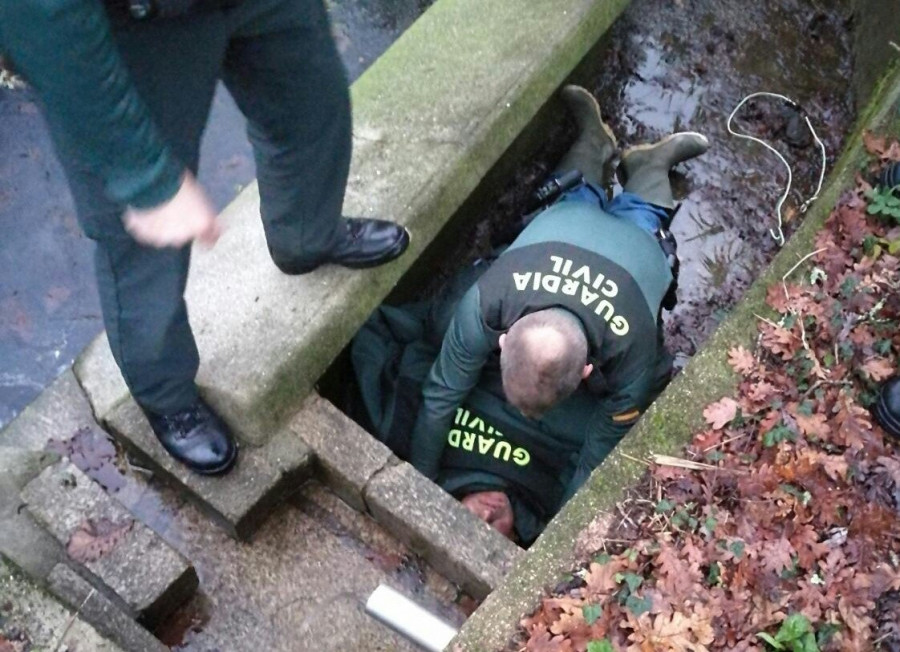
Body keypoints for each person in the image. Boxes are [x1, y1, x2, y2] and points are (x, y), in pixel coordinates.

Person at [0, 0, 410, 475]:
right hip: (135, 23)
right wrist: (142, 174)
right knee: (140, 237)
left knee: (313, 111)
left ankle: (306, 239)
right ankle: (165, 393)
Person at [352, 85, 708, 542]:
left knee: (632, 218)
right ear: (501, 341)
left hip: (628, 251)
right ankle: (626, 157)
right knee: (591, 203)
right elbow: (440, 396)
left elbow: (596, 456)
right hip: (572, 227)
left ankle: (639, 165)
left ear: (585, 373)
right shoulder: (486, 303)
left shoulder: (633, 352)